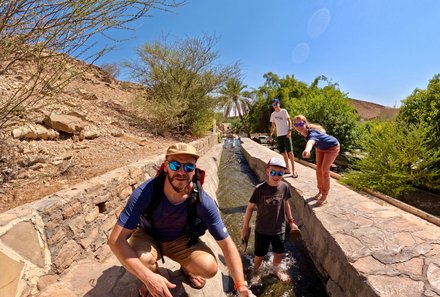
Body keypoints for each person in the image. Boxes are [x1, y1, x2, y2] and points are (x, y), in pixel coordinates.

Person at [108, 143, 255, 297]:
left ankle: (187, 269)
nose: (181, 172)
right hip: (149, 236)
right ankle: (154, 278)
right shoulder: (145, 193)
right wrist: (149, 278)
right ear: (165, 167)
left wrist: (241, 286)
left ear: (194, 170)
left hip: (180, 240)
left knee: (209, 268)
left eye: (188, 167)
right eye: (175, 164)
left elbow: (227, 245)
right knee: (142, 260)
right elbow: (115, 240)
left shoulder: (202, 201)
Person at [241, 157, 299, 284]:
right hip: (262, 229)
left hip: (279, 229)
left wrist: (291, 221)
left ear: (284, 173)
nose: (276, 176)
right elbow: (250, 208)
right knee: (259, 255)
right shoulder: (259, 189)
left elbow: (286, 204)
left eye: (280, 173)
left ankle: (275, 270)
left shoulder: (285, 187)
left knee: (279, 253)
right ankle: (256, 273)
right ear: (267, 171)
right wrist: (245, 227)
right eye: (273, 172)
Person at [292, 115, 340, 206]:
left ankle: (324, 196)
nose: (299, 126)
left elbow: (311, 142)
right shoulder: (306, 132)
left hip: (332, 147)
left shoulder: (311, 134)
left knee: (324, 170)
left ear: (305, 124)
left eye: (301, 123)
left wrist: (307, 150)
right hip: (321, 148)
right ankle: (320, 191)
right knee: (318, 169)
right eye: (296, 125)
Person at [268, 98, 298, 178]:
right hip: (279, 135)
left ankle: (294, 170)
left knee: (290, 152)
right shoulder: (273, 114)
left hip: (286, 134)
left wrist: (290, 130)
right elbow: (273, 126)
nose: (275, 106)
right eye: (273, 104)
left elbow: (289, 121)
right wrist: (270, 135)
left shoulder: (284, 111)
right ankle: (287, 169)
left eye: (276, 104)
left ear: (279, 103)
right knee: (283, 153)